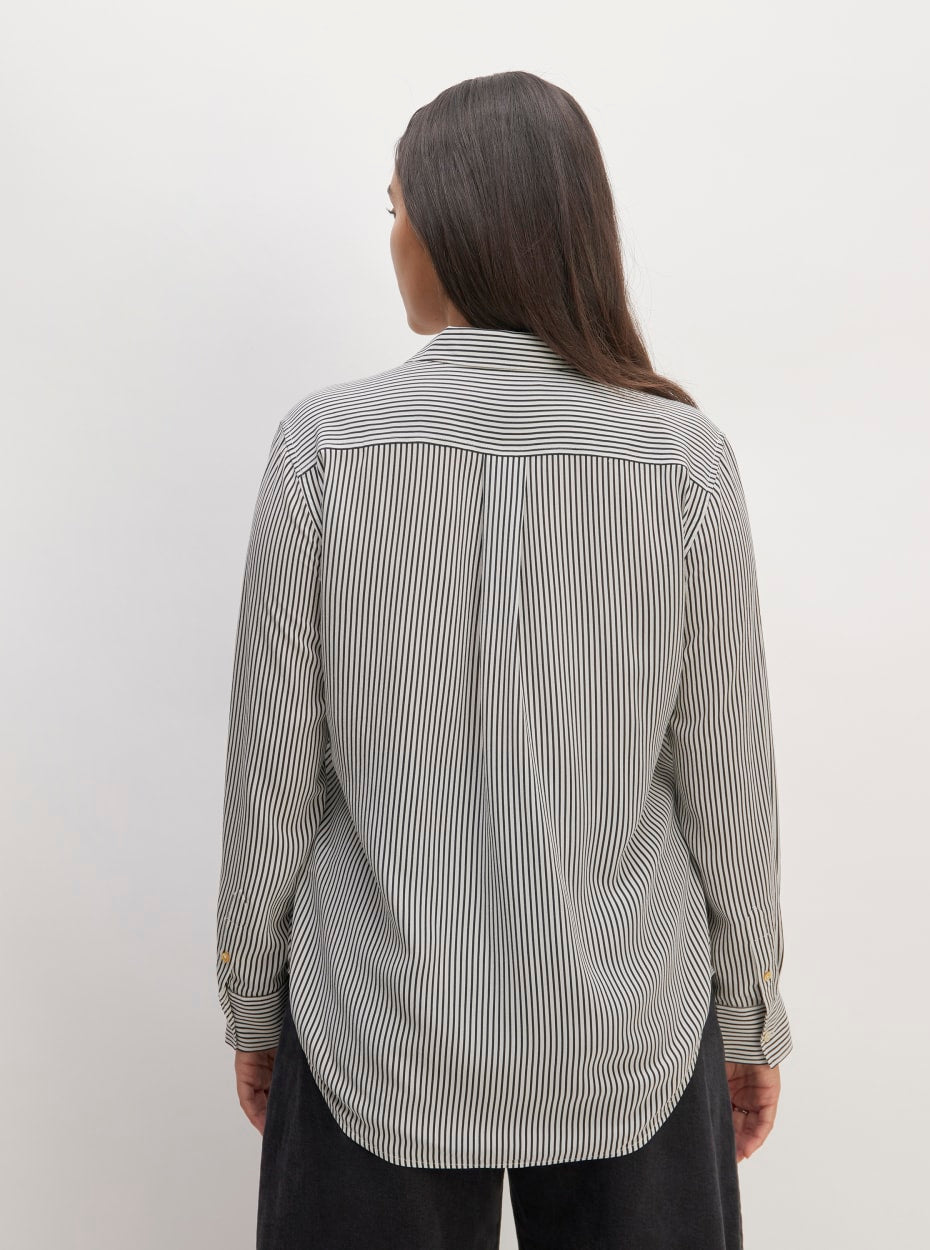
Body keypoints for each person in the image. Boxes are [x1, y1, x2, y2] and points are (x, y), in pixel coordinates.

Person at [216, 69, 793, 1250]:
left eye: (395, 209)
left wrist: (253, 1000)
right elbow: (729, 786)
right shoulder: (684, 460)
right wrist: (748, 1015)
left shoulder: (320, 447)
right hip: (629, 1030)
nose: (392, 240)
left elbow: (269, 774)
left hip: (372, 1026)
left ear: (455, 225)